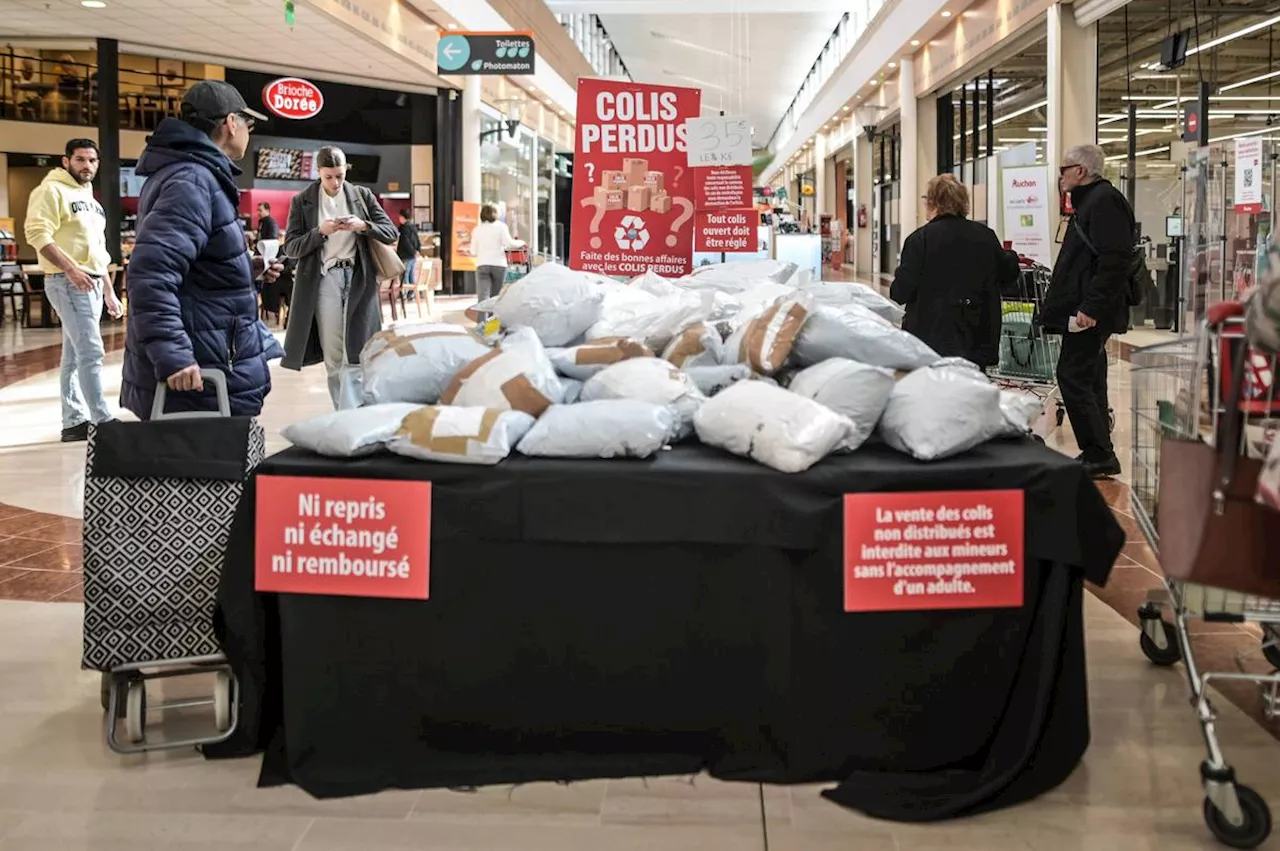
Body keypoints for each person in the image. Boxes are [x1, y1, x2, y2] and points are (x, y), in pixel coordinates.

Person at [120, 80, 280, 419]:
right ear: (230, 123)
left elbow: (191, 265)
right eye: (248, 125)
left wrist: (248, 268)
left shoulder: (194, 175)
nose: (248, 134)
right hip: (199, 375)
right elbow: (152, 275)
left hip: (212, 355)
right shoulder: (191, 180)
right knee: (208, 467)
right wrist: (174, 354)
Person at [1041, 143, 1135, 479]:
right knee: (1090, 375)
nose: (1060, 175)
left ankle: (1098, 453)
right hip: (1086, 308)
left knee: (1072, 374)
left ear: (1080, 171)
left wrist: (1092, 307)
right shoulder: (1091, 202)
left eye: (1064, 168)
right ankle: (1099, 451)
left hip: (1090, 311)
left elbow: (1114, 259)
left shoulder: (1103, 201)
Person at [281, 145, 398, 410]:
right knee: (334, 355)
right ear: (319, 172)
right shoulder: (302, 201)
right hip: (324, 280)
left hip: (359, 278)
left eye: (340, 176)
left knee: (358, 352)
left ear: (346, 171)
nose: (335, 182)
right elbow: (290, 247)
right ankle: (342, 414)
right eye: (329, 177)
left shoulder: (361, 195)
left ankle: (355, 413)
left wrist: (363, 225)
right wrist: (319, 232)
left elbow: (390, 232)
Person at [24, 138, 122, 441]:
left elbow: (97, 251)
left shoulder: (91, 200)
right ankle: (102, 421)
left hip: (91, 281)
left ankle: (73, 422)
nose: (87, 166)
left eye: (92, 160)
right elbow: (36, 233)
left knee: (74, 356)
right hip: (67, 282)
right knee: (91, 351)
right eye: (80, 160)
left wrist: (109, 290)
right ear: (66, 161)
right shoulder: (50, 190)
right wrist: (70, 269)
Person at [890, 174, 1018, 368]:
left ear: (933, 202)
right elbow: (1007, 276)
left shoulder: (919, 240)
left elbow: (901, 292)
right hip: (977, 338)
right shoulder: (985, 236)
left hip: (929, 340)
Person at [470, 204, 522, 301]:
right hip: (499, 265)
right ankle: (493, 316)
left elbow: (473, 251)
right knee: (496, 299)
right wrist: (521, 243)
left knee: (483, 299)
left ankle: (482, 316)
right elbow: (509, 244)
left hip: (482, 264)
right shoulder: (501, 227)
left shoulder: (476, 230)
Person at [396, 209, 419, 291]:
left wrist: (412, 251)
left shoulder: (404, 228)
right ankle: (412, 293)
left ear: (402, 217)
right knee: (411, 275)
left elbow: (406, 242)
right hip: (413, 255)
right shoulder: (413, 227)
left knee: (404, 275)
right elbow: (417, 240)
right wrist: (416, 251)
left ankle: (405, 293)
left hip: (405, 255)